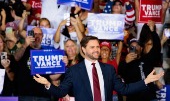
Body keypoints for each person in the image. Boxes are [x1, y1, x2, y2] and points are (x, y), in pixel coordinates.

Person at [33, 36, 164, 101]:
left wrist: (145, 81)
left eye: (97, 47)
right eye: (92, 47)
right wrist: (48, 85)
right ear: (83, 50)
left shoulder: (109, 69)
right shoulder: (73, 70)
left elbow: (124, 89)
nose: (97, 50)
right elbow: (61, 92)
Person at [14, 27, 64, 100]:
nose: (37, 36)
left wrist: (63, 65)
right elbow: (16, 57)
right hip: (25, 94)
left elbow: (52, 77)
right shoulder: (24, 50)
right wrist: (25, 44)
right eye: (34, 34)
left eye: (39, 34)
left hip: (43, 95)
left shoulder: (47, 52)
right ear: (30, 36)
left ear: (42, 37)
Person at [118, 21, 162, 101]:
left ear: (141, 49)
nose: (135, 48)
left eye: (137, 46)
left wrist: (153, 31)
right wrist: (126, 62)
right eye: (132, 47)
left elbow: (157, 47)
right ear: (128, 49)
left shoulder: (148, 59)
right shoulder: (125, 63)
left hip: (150, 97)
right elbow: (119, 72)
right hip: (133, 99)